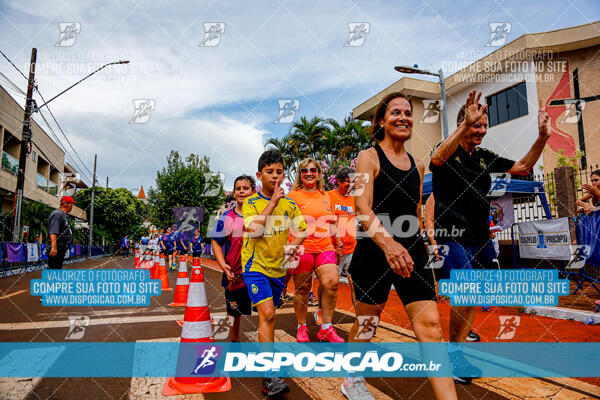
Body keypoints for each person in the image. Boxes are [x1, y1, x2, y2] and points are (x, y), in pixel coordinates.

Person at [429, 91, 550, 384]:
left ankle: (456, 343)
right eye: (476, 125)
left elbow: (521, 168)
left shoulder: (485, 157)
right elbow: (435, 159)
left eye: (485, 126)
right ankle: (454, 353)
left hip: (479, 237)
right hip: (450, 235)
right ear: (464, 124)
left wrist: (542, 138)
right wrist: (461, 127)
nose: (482, 131)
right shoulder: (446, 151)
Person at [344, 92, 457, 400]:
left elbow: (415, 210)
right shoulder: (367, 158)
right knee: (368, 322)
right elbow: (362, 208)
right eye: (396, 112)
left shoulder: (418, 165)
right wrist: (388, 244)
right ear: (382, 120)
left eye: (408, 113)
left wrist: (427, 241)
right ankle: (352, 377)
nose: (403, 117)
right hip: (373, 250)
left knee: (432, 327)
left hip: (413, 251)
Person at [241, 150, 306, 397]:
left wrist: (295, 244)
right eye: (270, 172)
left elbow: (301, 228)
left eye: (280, 171)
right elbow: (254, 230)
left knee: (270, 317)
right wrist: (272, 203)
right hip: (255, 266)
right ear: (260, 175)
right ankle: (269, 377)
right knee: (267, 315)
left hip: (278, 269)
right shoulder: (251, 202)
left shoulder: (290, 204)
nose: (275, 176)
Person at [287, 158, 345, 343]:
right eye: (304, 170)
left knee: (332, 283)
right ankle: (301, 327)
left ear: (319, 173)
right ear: (300, 174)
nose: (309, 173)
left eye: (313, 170)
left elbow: (333, 221)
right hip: (301, 247)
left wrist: (339, 243)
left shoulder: (325, 195)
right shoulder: (292, 196)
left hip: (324, 246)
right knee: (303, 289)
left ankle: (326, 328)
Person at [210, 174, 256, 342]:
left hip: (258, 274)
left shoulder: (261, 215)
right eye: (238, 189)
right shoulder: (226, 217)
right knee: (234, 312)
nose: (241, 191)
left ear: (253, 191)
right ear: (234, 193)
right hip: (235, 275)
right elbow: (216, 243)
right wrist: (223, 266)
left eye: (246, 188)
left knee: (267, 310)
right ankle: (234, 342)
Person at [47, 196, 75, 270]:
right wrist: (54, 248)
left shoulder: (62, 215)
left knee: (56, 269)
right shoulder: (58, 214)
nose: (72, 206)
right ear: (68, 204)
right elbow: (53, 231)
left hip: (60, 248)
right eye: (72, 204)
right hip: (57, 248)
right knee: (54, 270)